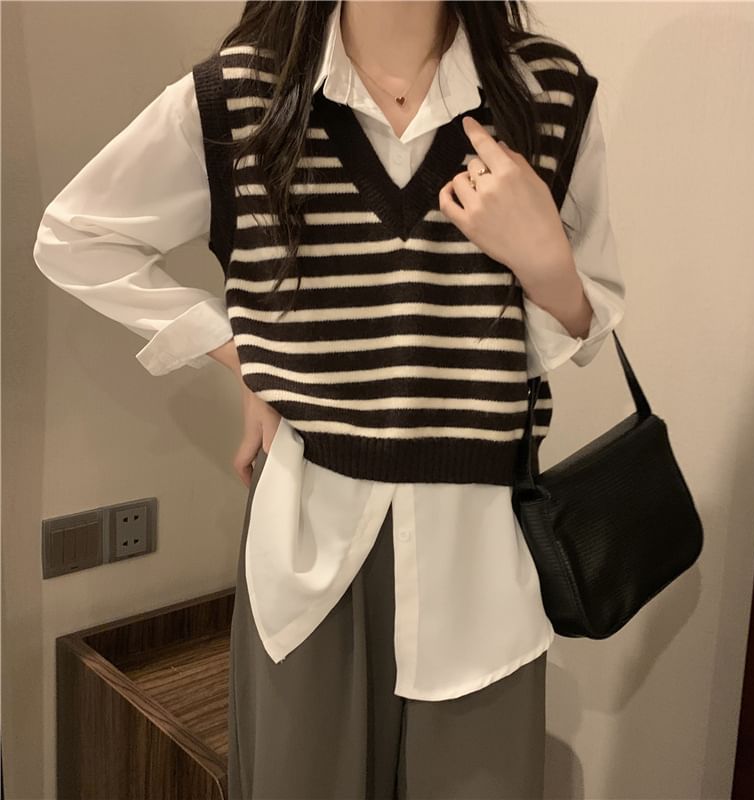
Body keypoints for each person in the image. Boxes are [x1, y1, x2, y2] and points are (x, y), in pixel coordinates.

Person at [33, 1, 625, 797]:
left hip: (480, 548)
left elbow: (587, 319)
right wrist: (246, 356)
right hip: (310, 536)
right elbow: (77, 236)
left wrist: (546, 264)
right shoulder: (244, 96)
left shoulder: (548, 94)